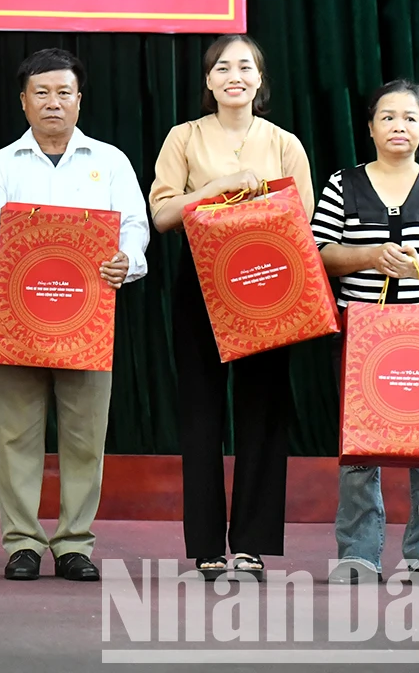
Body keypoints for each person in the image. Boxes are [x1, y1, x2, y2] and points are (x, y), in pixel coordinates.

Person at [0, 47, 149, 582]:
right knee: (16, 435)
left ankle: (74, 543)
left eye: (63, 92)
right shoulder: (0, 166)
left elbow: (134, 227)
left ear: (79, 99)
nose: (53, 102)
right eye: (41, 93)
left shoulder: (109, 161)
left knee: (84, 437)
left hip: (88, 322)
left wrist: (128, 261)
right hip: (15, 319)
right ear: (23, 101)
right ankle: (22, 542)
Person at [147, 34, 312, 581]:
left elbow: (302, 222)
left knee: (263, 414)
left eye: (246, 66)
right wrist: (219, 188)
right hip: (201, 280)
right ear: (209, 81)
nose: (234, 75)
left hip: (268, 283)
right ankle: (207, 547)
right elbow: (163, 215)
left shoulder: (285, 142)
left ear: (260, 80)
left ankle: (252, 543)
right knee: (202, 414)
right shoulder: (184, 137)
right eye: (222, 67)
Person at [313, 81, 419, 586]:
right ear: (369, 128)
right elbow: (320, 254)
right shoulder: (342, 184)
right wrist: (367, 257)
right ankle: (359, 553)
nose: (399, 127)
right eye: (388, 118)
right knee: (361, 446)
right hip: (362, 335)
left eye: (409, 118)